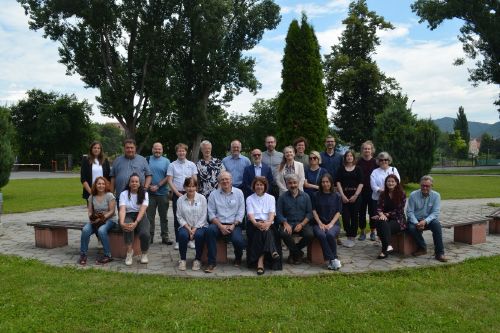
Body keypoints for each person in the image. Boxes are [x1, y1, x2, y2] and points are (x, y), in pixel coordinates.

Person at [206, 171, 246, 273]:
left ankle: (238, 257)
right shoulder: (213, 194)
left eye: (227, 179)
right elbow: (211, 214)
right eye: (222, 179)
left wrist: (233, 225)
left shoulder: (239, 193)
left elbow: (241, 212)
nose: (225, 181)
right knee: (210, 231)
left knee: (238, 240)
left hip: (234, 224)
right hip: (218, 224)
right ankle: (211, 262)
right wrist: (220, 226)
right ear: (219, 182)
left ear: (231, 180)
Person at [406, 175, 448, 262]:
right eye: (423, 185)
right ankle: (422, 248)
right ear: (420, 185)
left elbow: (435, 213)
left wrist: (425, 221)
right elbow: (410, 212)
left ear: (432, 186)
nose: (425, 188)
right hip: (415, 219)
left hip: (428, 219)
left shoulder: (436, 196)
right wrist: (416, 223)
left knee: (437, 225)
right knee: (411, 228)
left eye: (427, 186)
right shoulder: (413, 195)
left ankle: (440, 253)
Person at [246, 177, 281, 275]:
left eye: (261, 185)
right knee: (263, 231)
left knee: (264, 231)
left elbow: (272, 213)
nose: (259, 187)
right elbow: (250, 214)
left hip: (268, 222)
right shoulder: (249, 198)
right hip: (254, 224)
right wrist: (256, 223)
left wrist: (268, 223)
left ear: (265, 186)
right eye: (257, 184)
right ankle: (273, 251)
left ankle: (260, 263)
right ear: (254, 186)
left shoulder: (271, 198)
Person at [276, 173, 313, 265]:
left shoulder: (306, 196)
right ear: (287, 184)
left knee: (310, 235)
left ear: (298, 183)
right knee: (283, 233)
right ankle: (298, 254)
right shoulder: (282, 197)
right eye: (290, 183)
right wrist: (285, 223)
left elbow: (309, 213)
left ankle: (293, 252)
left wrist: (302, 224)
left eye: (294, 183)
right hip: (288, 223)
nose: (293, 185)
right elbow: (279, 213)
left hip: (302, 223)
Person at [167, 143, 198, 250]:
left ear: (186, 152)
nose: (181, 153)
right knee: (178, 218)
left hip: (190, 193)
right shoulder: (172, 165)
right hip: (178, 194)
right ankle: (178, 241)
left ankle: (191, 239)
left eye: (183, 151)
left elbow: (195, 179)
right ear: (176, 152)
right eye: (179, 151)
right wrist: (177, 193)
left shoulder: (192, 164)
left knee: (192, 217)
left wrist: (193, 192)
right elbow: (170, 181)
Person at [79, 176, 116, 265]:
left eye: (103, 184)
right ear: (95, 185)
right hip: (96, 220)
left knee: (101, 230)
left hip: (110, 220)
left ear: (105, 185)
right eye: (99, 183)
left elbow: (112, 211)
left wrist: (101, 219)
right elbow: (90, 211)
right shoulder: (91, 196)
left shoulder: (109, 195)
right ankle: (83, 254)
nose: (101, 185)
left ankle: (108, 255)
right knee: (85, 230)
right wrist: (91, 218)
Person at [176, 177, 208, 271]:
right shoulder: (180, 200)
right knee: (182, 235)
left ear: (196, 187)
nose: (191, 189)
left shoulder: (202, 198)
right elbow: (179, 216)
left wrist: (194, 229)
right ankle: (182, 260)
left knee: (199, 235)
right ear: (184, 187)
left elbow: (204, 215)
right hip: (186, 226)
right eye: (188, 186)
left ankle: (197, 260)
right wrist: (188, 228)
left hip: (200, 226)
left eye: (193, 186)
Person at [312, 174, 342, 270]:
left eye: (327, 182)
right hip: (318, 223)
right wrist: (320, 223)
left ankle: (331, 260)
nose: (325, 184)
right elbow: (313, 210)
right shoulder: (315, 195)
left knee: (329, 234)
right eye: (323, 182)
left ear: (331, 183)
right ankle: (333, 259)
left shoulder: (337, 195)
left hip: (333, 223)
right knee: (321, 235)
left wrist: (331, 224)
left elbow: (338, 212)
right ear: (320, 184)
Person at [118, 173, 150, 266]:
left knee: (145, 233)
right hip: (128, 215)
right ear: (129, 183)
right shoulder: (123, 194)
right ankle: (129, 252)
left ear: (140, 183)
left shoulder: (145, 194)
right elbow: (122, 209)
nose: (134, 183)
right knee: (127, 226)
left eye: (136, 181)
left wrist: (136, 222)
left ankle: (144, 253)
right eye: (132, 181)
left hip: (140, 215)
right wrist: (121, 222)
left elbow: (143, 210)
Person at [372, 174, 406, 259]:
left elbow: (399, 210)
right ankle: (387, 247)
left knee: (382, 225)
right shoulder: (383, 194)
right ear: (386, 183)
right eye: (388, 181)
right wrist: (380, 214)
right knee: (380, 222)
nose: (390, 183)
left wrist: (385, 214)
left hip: (398, 219)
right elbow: (379, 207)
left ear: (396, 183)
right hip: (385, 218)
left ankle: (385, 249)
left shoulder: (401, 194)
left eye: (392, 181)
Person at [110, 139, 152, 204]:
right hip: (121, 196)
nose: (130, 150)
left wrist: (145, 188)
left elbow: (149, 175)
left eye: (132, 148)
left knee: (139, 214)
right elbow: (113, 177)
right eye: (127, 148)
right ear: (124, 148)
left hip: (139, 195)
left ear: (135, 148)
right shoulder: (117, 160)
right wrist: (111, 194)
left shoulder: (142, 160)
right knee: (122, 213)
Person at [336, 150, 364, 248]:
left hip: (356, 197)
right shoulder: (341, 169)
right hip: (344, 196)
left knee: (354, 216)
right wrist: (342, 195)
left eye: (351, 156)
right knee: (345, 217)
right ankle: (348, 236)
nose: (349, 157)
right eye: (347, 156)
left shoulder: (358, 169)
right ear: (345, 158)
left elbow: (361, 183)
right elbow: (338, 182)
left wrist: (355, 195)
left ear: (353, 158)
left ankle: (352, 237)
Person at [370, 151, 400, 238]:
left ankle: (388, 236)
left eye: (386, 160)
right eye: (381, 160)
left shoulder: (394, 170)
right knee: (379, 218)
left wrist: (389, 191)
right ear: (378, 161)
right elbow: (373, 185)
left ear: (389, 160)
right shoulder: (375, 172)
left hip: (391, 199)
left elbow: (398, 182)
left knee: (389, 216)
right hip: (377, 198)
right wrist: (382, 191)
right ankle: (380, 236)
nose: (384, 161)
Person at [146, 142, 171, 245]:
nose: (157, 151)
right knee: (149, 217)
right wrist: (149, 186)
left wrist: (158, 186)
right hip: (150, 193)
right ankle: (149, 238)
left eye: (159, 149)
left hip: (163, 193)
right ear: (152, 149)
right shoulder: (146, 160)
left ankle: (165, 237)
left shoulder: (167, 161)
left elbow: (168, 176)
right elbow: (144, 173)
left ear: (162, 150)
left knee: (164, 217)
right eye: (155, 149)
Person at [357, 140, 378, 241]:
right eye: (365, 148)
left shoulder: (376, 162)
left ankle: (373, 231)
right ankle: (362, 231)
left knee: (373, 212)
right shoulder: (358, 162)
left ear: (372, 150)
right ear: (362, 150)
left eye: (369, 149)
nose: (367, 150)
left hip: (373, 191)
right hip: (361, 191)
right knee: (361, 212)